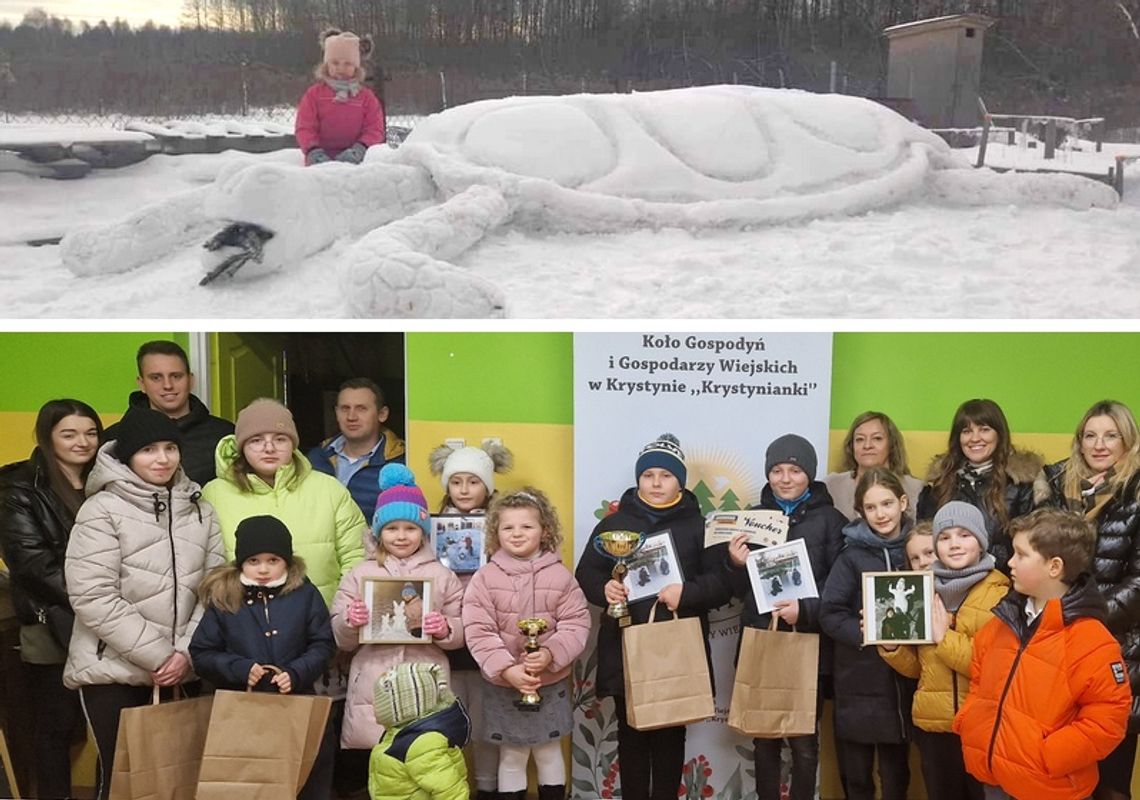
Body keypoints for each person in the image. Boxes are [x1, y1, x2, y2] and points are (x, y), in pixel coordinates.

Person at [62, 408, 225, 800]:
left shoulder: (201, 508)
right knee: (121, 781)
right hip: (112, 671)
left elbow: (215, 589)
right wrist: (158, 657)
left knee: (178, 780)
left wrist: (185, 654)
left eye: (170, 448)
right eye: (149, 449)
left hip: (182, 668)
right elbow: (92, 594)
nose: (163, 458)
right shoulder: (101, 509)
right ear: (127, 456)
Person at [575, 433, 733, 800]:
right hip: (625, 645)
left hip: (678, 648)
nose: (656, 482)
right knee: (631, 735)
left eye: (666, 475)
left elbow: (722, 584)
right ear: (638, 479)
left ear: (680, 481)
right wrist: (605, 590)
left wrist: (687, 593)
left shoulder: (700, 525)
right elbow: (587, 573)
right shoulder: (614, 525)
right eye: (649, 475)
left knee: (670, 737)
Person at [953, 508, 1131, 800]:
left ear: (1054, 567)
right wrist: (971, 722)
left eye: (1021, 555)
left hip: (1050, 786)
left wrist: (1046, 755)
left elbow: (1107, 721)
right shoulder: (1000, 623)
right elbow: (979, 679)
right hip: (994, 778)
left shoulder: (1092, 641)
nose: (1009, 562)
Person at [725, 434, 844, 800]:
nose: (786, 478)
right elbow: (731, 589)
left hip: (808, 641)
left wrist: (804, 609)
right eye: (777, 470)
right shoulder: (752, 518)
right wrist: (734, 563)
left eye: (795, 470)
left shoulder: (832, 521)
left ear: (808, 473)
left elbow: (840, 583)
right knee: (765, 741)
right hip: (761, 636)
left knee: (805, 743)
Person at [190, 515, 336, 800]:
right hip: (241, 712)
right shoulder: (225, 597)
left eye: (273, 560)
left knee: (305, 778)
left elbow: (323, 644)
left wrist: (295, 673)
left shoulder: (305, 594)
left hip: (298, 704)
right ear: (241, 562)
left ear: (287, 561)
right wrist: (239, 668)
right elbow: (201, 653)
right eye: (254, 561)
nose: (264, 569)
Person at [330, 464, 465, 773]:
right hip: (372, 685)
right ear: (378, 531)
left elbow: (459, 631)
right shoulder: (360, 573)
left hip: (426, 681)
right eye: (392, 529)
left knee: (426, 763)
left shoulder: (441, 576)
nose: (401, 536)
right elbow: (340, 637)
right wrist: (349, 621)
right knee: (380, 767)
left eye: (410, 528)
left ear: (423, 531)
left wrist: (445, 628)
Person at [0, 399, 102, 799]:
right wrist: (99, 601)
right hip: (55, 622)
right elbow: (33, 566)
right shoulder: (19, 487)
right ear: (47, 437)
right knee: (56, 726)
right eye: (69, 434)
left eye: (91, 432)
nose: (83, 442)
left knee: (110, 723)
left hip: (111, 622)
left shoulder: (109, 478)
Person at [462, 488, 590, 800]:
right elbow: (478, 630)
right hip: (505, 684)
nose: (517, 534)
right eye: (508, 527)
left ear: (544, 531)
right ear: (495, 533)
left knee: (548, 752)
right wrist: (506, 670)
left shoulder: (561, 577)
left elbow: (577, 622)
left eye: (527, 526)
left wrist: (549, 653)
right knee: (512, 755)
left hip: (550, 681)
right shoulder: (484, 578)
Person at [880, 501, 1009, 800]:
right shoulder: (921, 590)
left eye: (965, 535)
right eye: (945, 537)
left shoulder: (1000, 592)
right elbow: (918, 669)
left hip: (982, 727)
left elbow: (994, 668)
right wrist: (892, 646)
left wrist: (944, 638)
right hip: (933, 728)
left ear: (981, 541)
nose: (954, 545)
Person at [1044, 400, 1140, 800]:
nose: (1099, 445)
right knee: (1065, 778)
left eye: (1110, 435)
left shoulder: (1136, 494)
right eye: (1090, 435)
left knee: (1111, 783)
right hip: (1058, 653)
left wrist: (1083, 620)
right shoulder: (1056, 492)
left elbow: (1138, 583)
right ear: (1079, 442)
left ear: (1128, 441)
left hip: (1117, 651)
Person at [202, 397, 367, 607]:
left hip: (319, 628)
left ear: (293, 444)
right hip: (240, 626)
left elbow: (357, 557)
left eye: (280, 439)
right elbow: (204, 564)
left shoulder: (330, 490)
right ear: (241, 446)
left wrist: (342, 613)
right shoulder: (214, 494)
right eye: (256, 440)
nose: (269, 448)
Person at [819, 468, 915, 800]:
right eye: (871, 507)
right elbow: (829, 612)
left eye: (887, 503)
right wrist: (862, 630)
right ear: (861, 512)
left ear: (903, 502)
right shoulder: (851, 556)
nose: (880, 514)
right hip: (858, 678)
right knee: (857, 778)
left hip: (903, 681)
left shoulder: (918, 549)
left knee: (896, 777)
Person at [427, 440, 513, 799]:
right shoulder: (428, 528)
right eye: (456, 481)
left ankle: (488, 789)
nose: (464, 489)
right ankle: (453, 790)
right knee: (447, 722)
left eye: (473, 481)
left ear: (488, 486)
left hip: (490, 641)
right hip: (443, 639)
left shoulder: (504, 529)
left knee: (487, 725)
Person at [917, 398, 1049, 571]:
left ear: (999, 434)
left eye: (984, 430)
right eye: (966, 431)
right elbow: (925, 539)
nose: (975, 438)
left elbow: (1031, 544)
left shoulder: (1021, 484)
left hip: (1005, 582)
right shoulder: (938, 484)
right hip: (947, 584)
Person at [103, 340, 233, 485]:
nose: (168, 385)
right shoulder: (115, 438)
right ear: (142, 384)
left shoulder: (224, 435)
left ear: (190, 380)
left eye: (176, 376)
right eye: (156, 378)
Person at [307, 378, 407, 521]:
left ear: (382, 414)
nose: (351, 417)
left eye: (361, 409)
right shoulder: (315, 459)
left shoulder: (401, 464)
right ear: (336, 413)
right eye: (345, 408)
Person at [369, 662, 471, 800]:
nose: (374, 705)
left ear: (401, 705)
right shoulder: (399, 734)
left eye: (379, 701)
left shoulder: (421, 744)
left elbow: (452, 793)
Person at [295, 28, 386, 165]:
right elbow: (305, 127)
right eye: (335, 63)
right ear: (327, 65)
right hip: (319, 160)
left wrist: (361, 149)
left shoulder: (366, 98)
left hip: (358, 160)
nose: (341, 68)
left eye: (347, 64)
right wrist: (313, 150)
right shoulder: (314, 95)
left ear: (356, 67)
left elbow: (375, 128)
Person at [825, 411, 924, 521]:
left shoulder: (916, 489)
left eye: (877, 438)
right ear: (851, 446)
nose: (867, 445)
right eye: (860, 439)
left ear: (891, 444)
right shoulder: (831, 486)